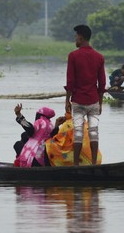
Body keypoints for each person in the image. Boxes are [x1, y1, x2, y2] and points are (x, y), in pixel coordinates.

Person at [65, 24, 106, 165]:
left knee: (78, 133)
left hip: (78, 100)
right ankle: (94, 163)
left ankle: (76, 164)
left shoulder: (73, 56)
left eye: (76, 36)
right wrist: (100, 102)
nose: (75, 39)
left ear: (81, 38)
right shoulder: (99, 57)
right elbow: (102, 83)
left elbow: (70, 81)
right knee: (93, 132)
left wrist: (67, 101)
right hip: (93, 100)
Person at [46, 101, 101, 167]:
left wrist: (56, 126)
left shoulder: (68, 125)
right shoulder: (84, 122)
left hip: (83, 161)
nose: (65, 113)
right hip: (96, 159)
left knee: (48, 144)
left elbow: (58, 141)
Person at [12, 103, 56, 167]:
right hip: (44, 160)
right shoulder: (51, 125)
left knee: (17, 144)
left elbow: (30, 130)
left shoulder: (40, 122)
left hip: (34, 159)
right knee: (24, 136)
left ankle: (22, 163)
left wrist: (19, 115)